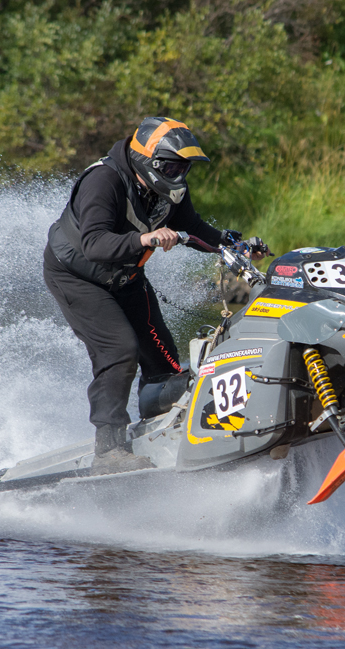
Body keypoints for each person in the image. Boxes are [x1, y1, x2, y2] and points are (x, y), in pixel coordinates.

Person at [43, 116, 265, 468]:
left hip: (126, 275)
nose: (180, 175)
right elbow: (95, 243)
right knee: (120, 350)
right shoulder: (102, 181)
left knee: (164, 363)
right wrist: (144, 239)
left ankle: (168, 430)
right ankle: (110, 451)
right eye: (174, 166)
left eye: (184, 168)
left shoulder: (170, 187)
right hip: (77, 276)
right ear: (151, 162)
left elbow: (191, 227)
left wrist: (230, 244)